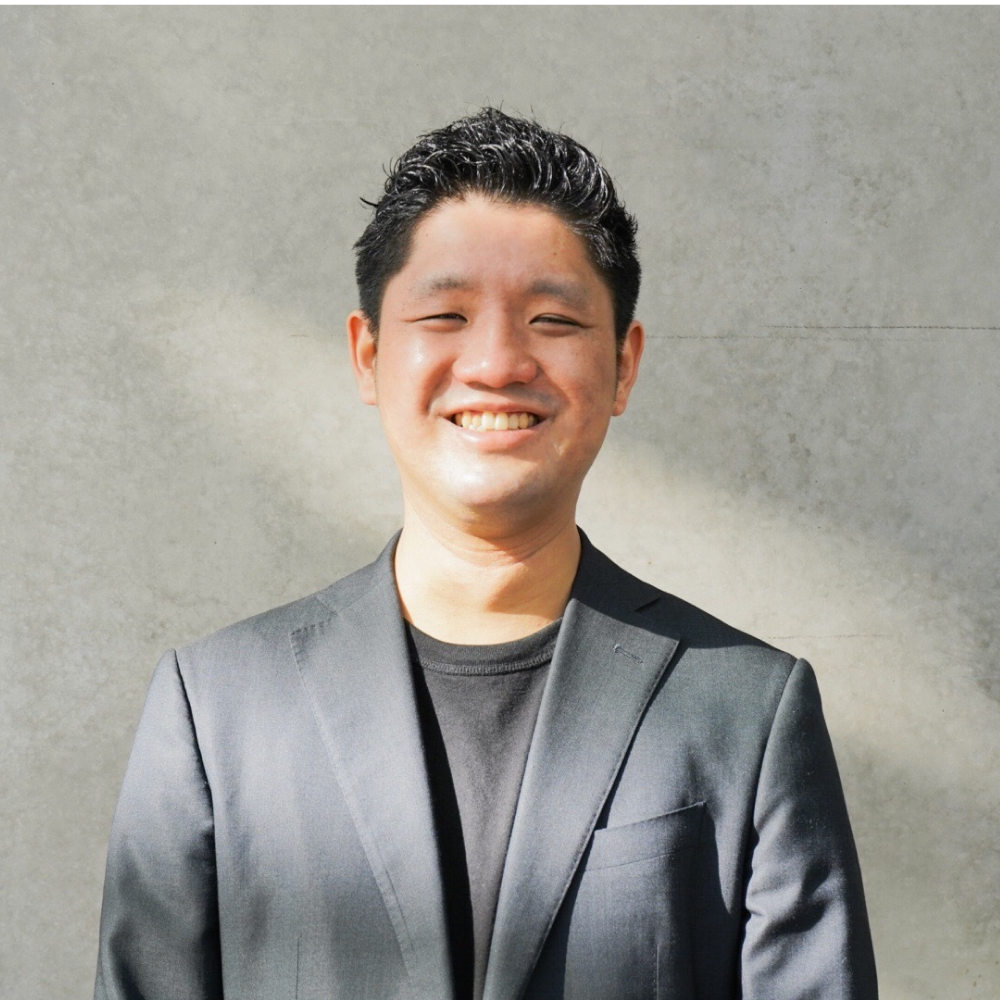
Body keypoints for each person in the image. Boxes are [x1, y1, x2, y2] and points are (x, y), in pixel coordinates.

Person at [94, 108, 878, 1000]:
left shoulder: (748, 708)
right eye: (446, 314)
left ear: (623, 366)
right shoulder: (216, 708)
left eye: (552, 319)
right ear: (367, 355)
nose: (498, 362)